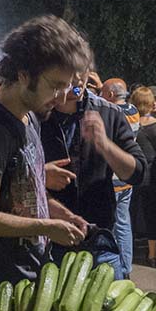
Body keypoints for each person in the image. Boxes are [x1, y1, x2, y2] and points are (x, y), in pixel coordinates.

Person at [0, 15, 91, 311]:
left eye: (68, 87)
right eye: (55, 86)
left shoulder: (31, 116)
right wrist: (46, 227)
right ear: (23, 75)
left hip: (31, 275)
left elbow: (23, 190)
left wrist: (59, 213)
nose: (62, 98)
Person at [41, 72, 147, 279]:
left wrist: (105, 144)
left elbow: (137, 173)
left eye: (81, 69)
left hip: (99, 240)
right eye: (68, 69)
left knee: (109, 306)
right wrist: (40, 175)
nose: (76, 78)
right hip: (51, 241)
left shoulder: (109, 112)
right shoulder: (37, 114)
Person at [100, 77, 142, 276]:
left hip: (114, 179)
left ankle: (119, 268)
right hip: (126, 179)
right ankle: (127, 266)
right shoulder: (134, 112)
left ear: (109, 95)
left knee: (113, 225)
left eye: (102, 93)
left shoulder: (112, 113)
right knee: (124, 224)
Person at [129, 87, 156, 265]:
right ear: (152, 104)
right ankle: (152, 255)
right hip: (154, 177)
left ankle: (128, 251)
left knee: (129, 214)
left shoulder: (129, 126)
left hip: (133, 173)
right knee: (152, 215)